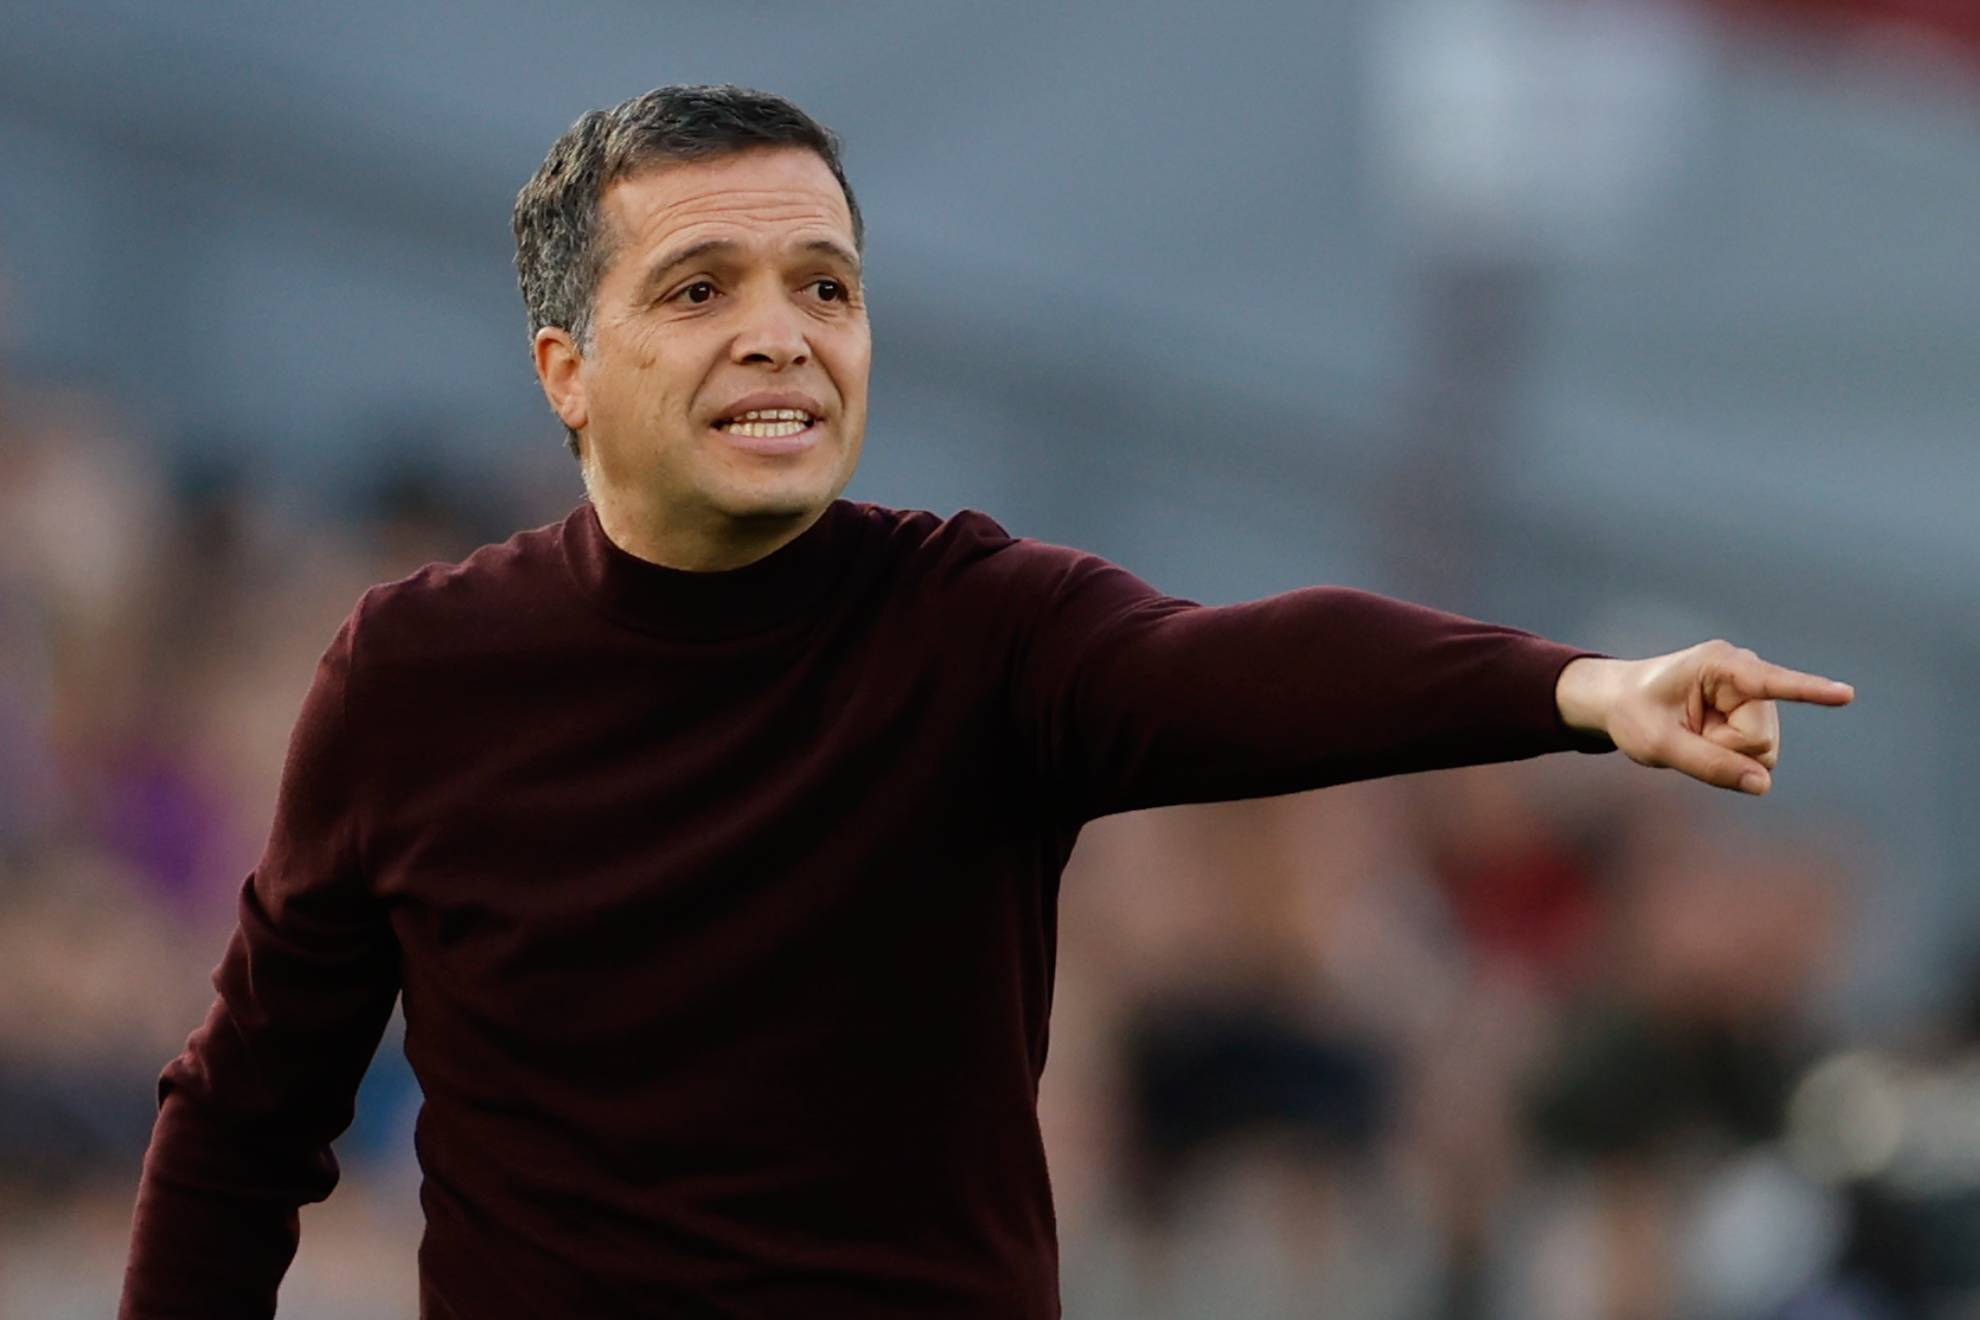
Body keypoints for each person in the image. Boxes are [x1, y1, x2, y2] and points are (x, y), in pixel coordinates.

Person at [118, 83, 1855, 1319]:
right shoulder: (417, 673)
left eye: (826, 287)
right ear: (568, 371)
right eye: (702, 289)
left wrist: (1575, 688)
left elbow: (1242, 668)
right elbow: (245, 1121)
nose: (785, 335)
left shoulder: (969, 622)